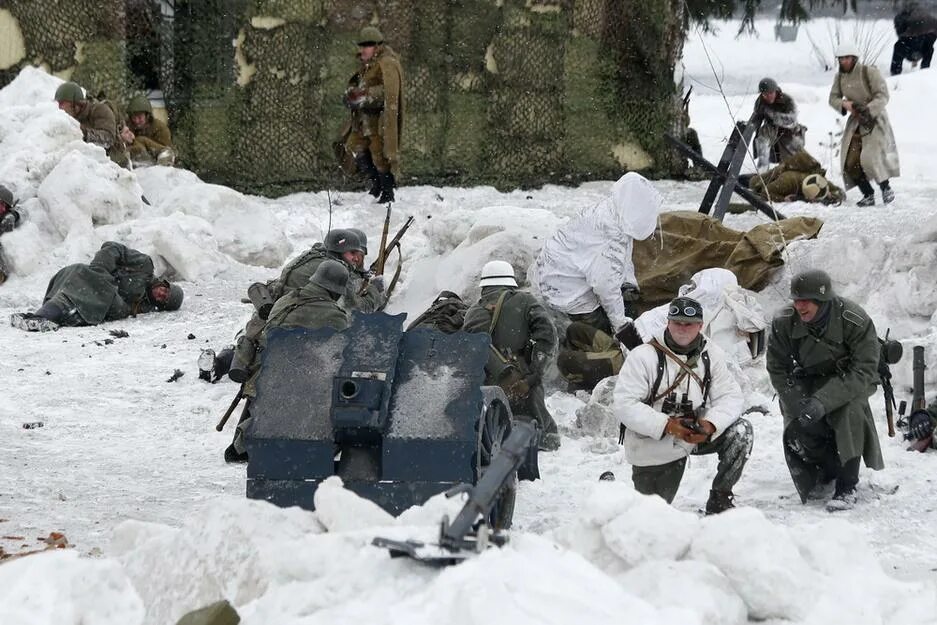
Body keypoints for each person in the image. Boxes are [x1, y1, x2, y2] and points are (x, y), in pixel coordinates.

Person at [613, 296, 752, 514]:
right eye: (677, 322)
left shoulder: (711, 354)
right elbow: (624, 404)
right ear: (668, 323)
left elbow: (730, 396)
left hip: (694, 433)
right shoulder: (643, 356)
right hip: (653, 441)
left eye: (688, 324)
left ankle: (720, 498)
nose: (682, 328)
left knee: (741, 432)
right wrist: (667, 425)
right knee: (650, 515)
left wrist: (710, 425)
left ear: (700, 325)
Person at [766, 269, 884, 511]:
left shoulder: (854, 319)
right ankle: (824, 469)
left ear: (823, 300)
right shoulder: (784, 322)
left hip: (850, 379)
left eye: (806, 300)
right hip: (807, 380)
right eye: (796, 300)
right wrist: (799, 403)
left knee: (848, 411)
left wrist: (824, 400)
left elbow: (863, 370)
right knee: (800, 422)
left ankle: (847, 484)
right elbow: (778, 369)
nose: (800, 306)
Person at [225, 260, 351, 463]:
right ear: (336, 290)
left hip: (263, 374)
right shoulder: (332, 314)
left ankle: (246, 441)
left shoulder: (286, 299)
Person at [224, 228, 383, 383]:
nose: (356, 258)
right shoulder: (335, 272)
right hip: (300, 341)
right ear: (339, 250)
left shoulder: (311, 256)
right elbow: (359, 309)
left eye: (359, 254)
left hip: (274, 318)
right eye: (352, 253)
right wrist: (375, 291)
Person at [530, 172, 662, 349]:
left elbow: (623, 255)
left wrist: (627, 282)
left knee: (624, 301)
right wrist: (621, 327)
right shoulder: (609, 237)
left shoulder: (613, 213)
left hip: (555, 274)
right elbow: (604, 285)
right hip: (568, 294)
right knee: (603, 336)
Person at [463, 260, 561, 451]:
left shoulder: (473, 311)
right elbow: (547, 336)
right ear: (511, 282)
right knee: (546, 434)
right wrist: (534, 374)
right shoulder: (525, 301)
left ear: (484, 285)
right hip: (520, 383)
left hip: (486, 388)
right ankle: (538, 435)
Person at [10, 241, 183, 332]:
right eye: (165, 291)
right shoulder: (144, 265)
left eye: (164, 299)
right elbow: (113, 248)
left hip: (109, 300)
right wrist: (102, 270)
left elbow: (125, 310)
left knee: (88, 293)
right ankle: (44, 315)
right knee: (75, 271)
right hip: (97, 280)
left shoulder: (146, 306)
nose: (161, 294)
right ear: (164, 283)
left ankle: (44, 317)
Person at [829, 43, 900, 207]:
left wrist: (868, 109)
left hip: (874, 119)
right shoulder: (839, 77)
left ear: (854, 58)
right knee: (850, 162)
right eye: (841, 59)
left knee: (869, 157)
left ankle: (886, 188)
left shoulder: (869, 72)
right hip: (855, 122)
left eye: (847, 58)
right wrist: (845, 105)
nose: (844, 61)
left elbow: (883, 95)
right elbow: (833, 98)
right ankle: (868, 194)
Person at [341, 26, 404, 204]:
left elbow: (389, 91)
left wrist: (365, 94)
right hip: (362, 119)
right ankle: (376, 183)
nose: (362, 49)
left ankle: (387, 192)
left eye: (367, 45)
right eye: (361, 45)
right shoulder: (368, 65)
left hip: (378, 120)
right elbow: (359, 85)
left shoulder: (387, 63)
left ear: (377, 46)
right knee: (354, 147)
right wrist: (352, 94)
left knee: (380, 156)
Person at [54, 81, 129, 168]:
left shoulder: (100, 110)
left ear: (74, 104)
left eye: (62, 103)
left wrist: (83, 132)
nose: (59, 107)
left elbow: (108, 139)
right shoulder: (71, 117)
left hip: (114, 165)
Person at [742, 149, 845, 204]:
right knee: (752, 182)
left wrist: (832, 196)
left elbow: (841, 193)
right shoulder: (788, 181)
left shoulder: (818, 181)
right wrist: (783, 199)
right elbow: (766, 193)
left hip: (784, 173)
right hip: (766, 179)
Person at [753, 77, 806, 169]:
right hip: (772, 128)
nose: (768, 96)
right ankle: (763, 167)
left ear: (776, 91)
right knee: (763, 136)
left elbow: (792, 120)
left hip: (789, 130)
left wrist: (774, 115)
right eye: (765, 94)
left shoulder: (787, 100)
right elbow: (757, 116)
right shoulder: (760, 101)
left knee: (791, 161)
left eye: (771, 93)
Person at [122, 95, 174, 166]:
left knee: (140, 139)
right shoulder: (128, 125)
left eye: (140, 117)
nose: (137, 121)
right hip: (133, 160)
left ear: (147, 116)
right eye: (134, 117)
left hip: (157, 161)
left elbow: (166, 151)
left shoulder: (160, 128)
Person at [891, 3, 937, 75]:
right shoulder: (928, 19)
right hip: (922, 47)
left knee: (898, 47)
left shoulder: (902, 17)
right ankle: (925, 71)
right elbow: (934, 34)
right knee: (929, 48)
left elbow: (899, 32)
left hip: (908, 46)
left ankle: (895, 73)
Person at [0, 184, 22, 284]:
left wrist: (14, 215)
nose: (4, 209)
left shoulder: (6, 216)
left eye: (6, 206)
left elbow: (23, 209)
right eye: (2, 204)